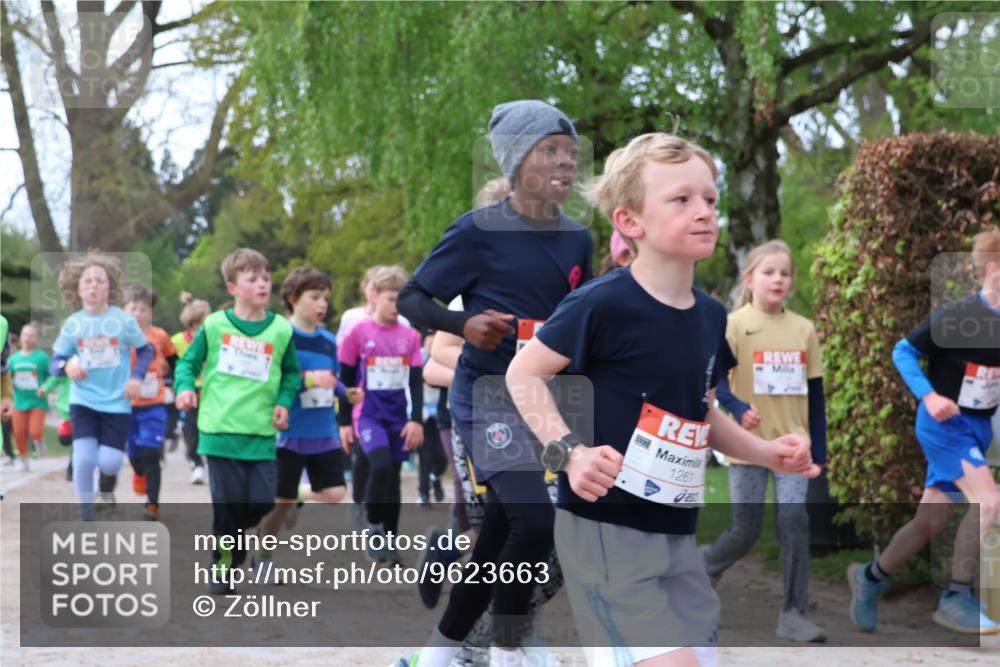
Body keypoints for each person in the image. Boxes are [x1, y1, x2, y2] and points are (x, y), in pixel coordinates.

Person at [506, 132, 819, 667]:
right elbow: (522, 374)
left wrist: (765, 453)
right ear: (630, 222)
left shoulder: (710, 316)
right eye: (682, 199)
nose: (704, 212)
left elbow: (700, 409)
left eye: (710, 199)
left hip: (678, 533)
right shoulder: (600, 304)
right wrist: (570, 452)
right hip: (607, 530)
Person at [395, 99, 592, 667]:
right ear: (515, 161)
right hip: (485, 398)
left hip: (544, 404)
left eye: (571, 153)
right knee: (535, 520)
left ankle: (442, 652)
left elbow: (575, 320)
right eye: (549, 150)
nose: (565, 162)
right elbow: (413, 298)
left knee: (503, 532)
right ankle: (506, 651)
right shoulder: (478, 231)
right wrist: (463, 323)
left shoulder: (577, 238)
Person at [848, 228, 1000, 635]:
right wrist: (929, 396)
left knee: (928, 525)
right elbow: (903, 351)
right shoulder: (959, 316)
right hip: (943, 427)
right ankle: (955, 597)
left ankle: (871, 577)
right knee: (988, 501)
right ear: (994, 270)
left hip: (977, 429)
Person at [700, 239, 828, 642]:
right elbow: (716, 380)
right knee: (746, 530)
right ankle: (703, 571)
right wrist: (737, 408)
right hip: (747, 447)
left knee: (794, 521)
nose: (778, 279)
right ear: (750, 278)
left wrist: (819, 452)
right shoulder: (735, 324)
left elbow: (817, 394)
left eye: (785, 273)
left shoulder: (804, 329)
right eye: (769, 272)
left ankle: (794, 612)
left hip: (793, 446)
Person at [174, 248, 301, 593]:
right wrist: (185, 388)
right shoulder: (214, 326)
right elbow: (187, 364)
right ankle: (223, 568)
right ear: (232, 287)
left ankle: (234, 537)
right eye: (252, 278)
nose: (262, 284)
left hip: (260, 432)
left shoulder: (280, 329)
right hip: (218, 430)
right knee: (227, 507)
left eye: (266, 277)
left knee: (261, 502)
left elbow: (292, 375)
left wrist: (284, 403)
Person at [253, 266, 361, 576]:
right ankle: (263, 558)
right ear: (292, 299)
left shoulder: (328, 339)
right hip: (289, 431)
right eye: (314, 297)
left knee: (335, 494)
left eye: (325, 298)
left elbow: (332, 377)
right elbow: (270, 381)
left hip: (323, 429)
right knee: (280, 505)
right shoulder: (279, 335)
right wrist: (307, 380)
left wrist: (346, 391)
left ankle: (296, 495)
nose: (322, 304)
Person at [50, 253, 153, 519]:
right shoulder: (74, 324)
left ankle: (101, 487)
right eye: (88, 281)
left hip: (117, 402)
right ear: (78, 288)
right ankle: (86, 515)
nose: (94, 285)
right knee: (83, 459)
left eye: (100, 280)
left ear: (110, 287)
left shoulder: (123, 320)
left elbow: (145, 351)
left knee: (109, 462)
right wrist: (66, 367)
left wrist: (136, 378)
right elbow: (56, 361)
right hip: (83, 400)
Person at [338, 265, 425, 564]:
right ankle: (373, 525)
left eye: (401, 299)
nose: (396, 306)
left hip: (397, 416)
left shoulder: (410, 336)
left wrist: (415, 420)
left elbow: (415, 380)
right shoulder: (358, 332)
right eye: (390, 298)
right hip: (368, 415)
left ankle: (390, 540)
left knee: (394, 481)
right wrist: (344, 422)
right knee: (381, 466)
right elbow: (346, 379)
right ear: (374, 297)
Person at [123, 286, 178, 521]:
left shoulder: (159, 336)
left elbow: (174, 358)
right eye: (132, 308)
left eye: (143, 309)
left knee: (151, 452)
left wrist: (170, 375)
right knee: (135, 454)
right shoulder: (118, 336)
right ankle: (138, 473)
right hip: (126, 405)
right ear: (124, 310)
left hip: (154, 403)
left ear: (151, 312)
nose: (137, 313)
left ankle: (152, 504)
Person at [171, 292, 212, 485]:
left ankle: (209, 460)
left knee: (209, 428)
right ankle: (196, 464)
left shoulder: (214, 337)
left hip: (211, 390)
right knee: (191, 429)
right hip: (189, 392)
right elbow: (173, 364)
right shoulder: (177, 341)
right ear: (195, 320)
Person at [9, 323, 51, 469]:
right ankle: (23, 459)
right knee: (19, 432)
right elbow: (8, 378)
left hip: (38, 401)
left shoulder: (43, 358)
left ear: (37, 339)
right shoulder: (13, 359)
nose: (28, 339)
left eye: (31, 336)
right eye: (25, 335)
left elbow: (52, 377)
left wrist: (46, 389)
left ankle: (38, 440)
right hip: (19, 401)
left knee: (35, 431)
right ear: (21, 337)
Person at [417, 331, 448, 508]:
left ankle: (436, 476)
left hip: (441, 412)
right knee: (425, 457)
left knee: (442, 456)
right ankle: (423, 494)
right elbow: (410, 385)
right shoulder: (417, 358)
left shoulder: (445, 357)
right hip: (423, 416)